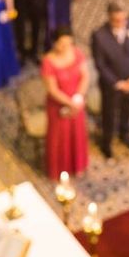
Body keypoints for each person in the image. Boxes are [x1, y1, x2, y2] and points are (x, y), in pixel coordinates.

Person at [90, 2, 129, 158]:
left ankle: (125, 134)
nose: (122, 23)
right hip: (111, 85)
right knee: (109, 113)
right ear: (110, 18)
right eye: (117, 20)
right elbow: (99, 64)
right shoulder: (99, 35)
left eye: (124, 19)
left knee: (127, 109)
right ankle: (106, 142)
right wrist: (117, 83)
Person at [42, 27, 89, 178]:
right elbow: (52, 90)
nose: (65, 47)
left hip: (76, 101)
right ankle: (59, 170)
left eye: (68, 44)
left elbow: (85, 76)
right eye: (62, 44)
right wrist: (69, 103)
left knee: (77, 135)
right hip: (59, 105)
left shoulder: (76, 53)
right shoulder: (48, 62)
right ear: (55, 43)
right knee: (59, 139)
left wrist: (78, 98)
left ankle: (77, 165)